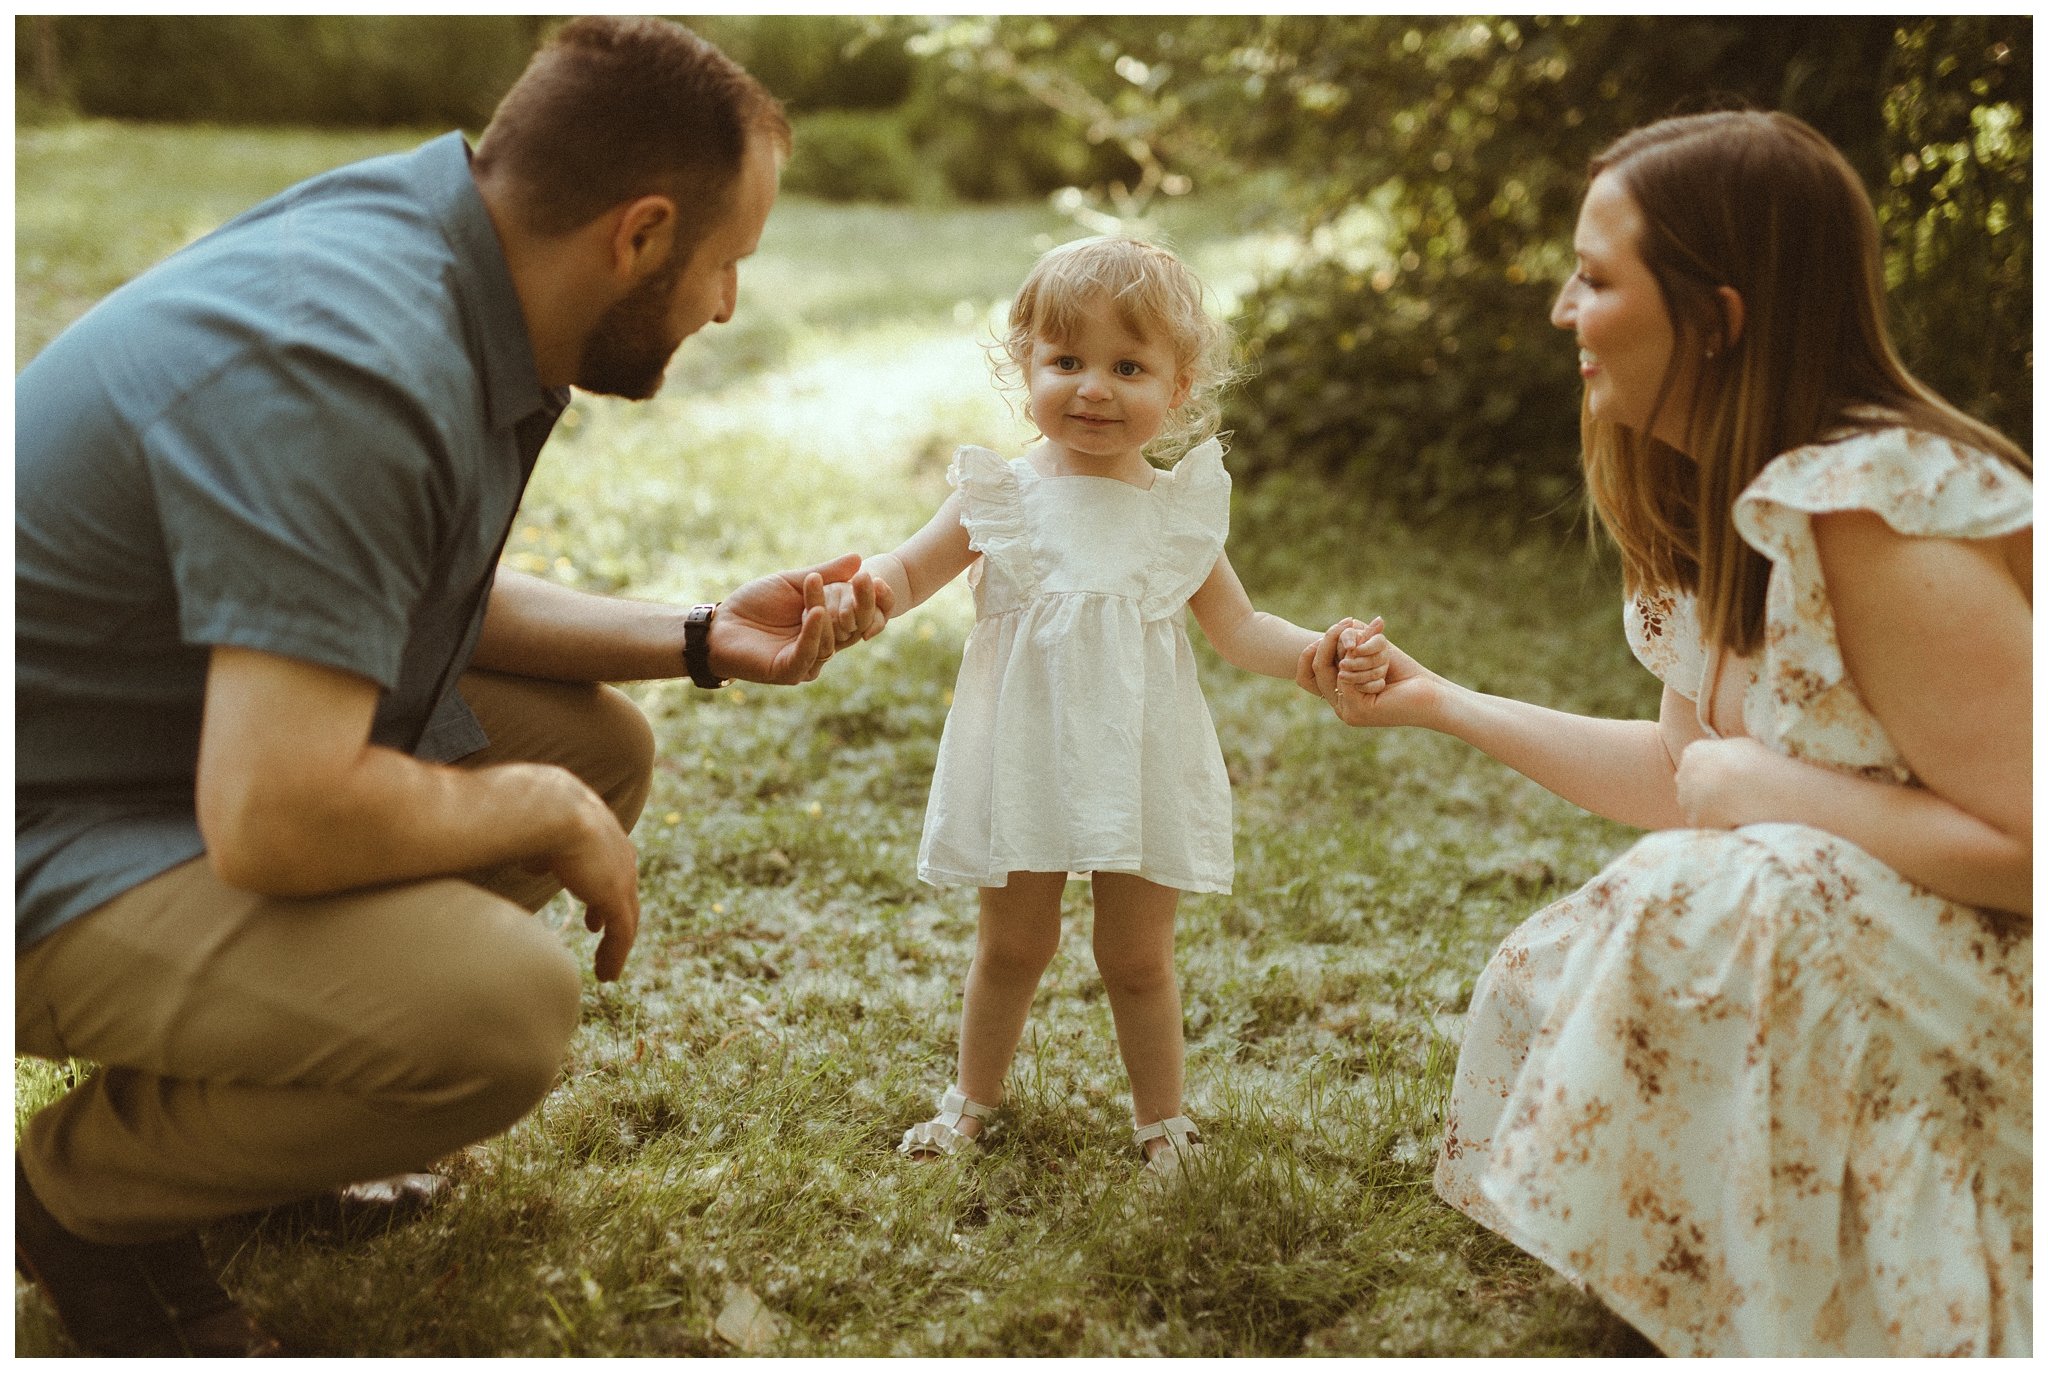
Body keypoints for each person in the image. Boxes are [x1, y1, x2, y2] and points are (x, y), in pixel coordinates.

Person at [14, 17, 890, 1358]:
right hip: (49, 828)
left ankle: (247, 1123)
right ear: (641, 234)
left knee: (596, 747)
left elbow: (395, 594)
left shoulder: (432, 245)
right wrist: (528, 808)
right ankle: (74, 1198)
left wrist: (705, 635)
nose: (725, 307)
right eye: (728, 268)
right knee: (497, 1011)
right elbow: (277, 816)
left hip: (137, 756)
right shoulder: (352, 366)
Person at [1304, 110, 2031, 1355]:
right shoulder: (1712, 499)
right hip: (1892, 953)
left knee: (1705, 895)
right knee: (1651, 905)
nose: (1559, 312)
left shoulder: (1873, 511)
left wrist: (1767, 788)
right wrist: (1437, 701)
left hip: (2002, 990)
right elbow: (1676, 772)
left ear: (1715, 317)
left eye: (1593, 280)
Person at [827, 235, 1389, 1178]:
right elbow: (910, 567)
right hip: (1026, 749)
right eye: (1067, 361)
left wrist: (1317, 656)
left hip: (1139, 756)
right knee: (1012, 944)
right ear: (1028, 366)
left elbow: (1240, 627)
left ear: (1178, 388)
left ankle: (1161, 1123)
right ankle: (972, 1101)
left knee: (1137, 955)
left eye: (1127, 367)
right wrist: (867, 591)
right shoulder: (999, 494)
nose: (1093, 388)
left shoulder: (1177, 513)